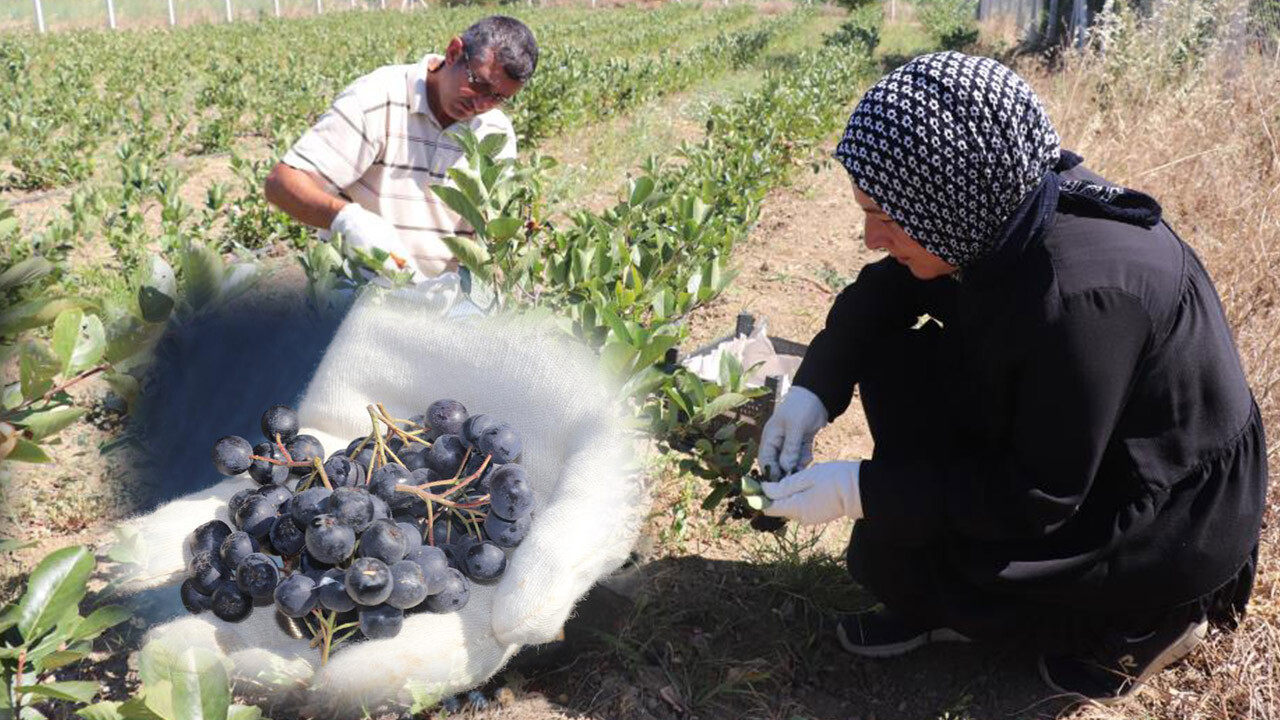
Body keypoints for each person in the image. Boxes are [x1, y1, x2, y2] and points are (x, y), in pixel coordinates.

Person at [756, 51, 1267, 704]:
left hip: (1160, 504)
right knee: (894, 407)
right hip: (1066, 432)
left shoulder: (1082, 298)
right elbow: (881, 293)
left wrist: (860, 488)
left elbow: (1037, 497)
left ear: (945, 205)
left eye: (885, 217)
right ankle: (950, 587)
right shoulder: (997, 204)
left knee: (970, 560)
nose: (869, 238)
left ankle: (1149, 621)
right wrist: (812, 391)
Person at [264, 16, 536, 281]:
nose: (481, 104)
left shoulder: (495, 132)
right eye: (479, 84)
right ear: (454, 52)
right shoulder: (376, 99)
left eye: (498, 97)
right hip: (359, 291)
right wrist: (347, 220)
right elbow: (282, 183)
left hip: (442, 304)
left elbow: (492, 229)